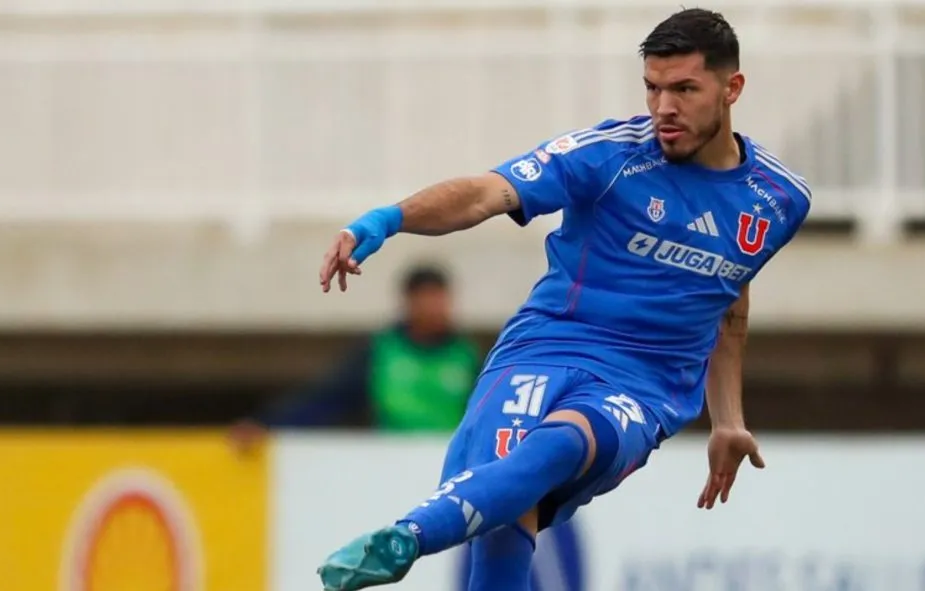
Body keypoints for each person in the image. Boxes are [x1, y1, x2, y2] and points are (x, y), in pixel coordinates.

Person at [314, 8, 812, 591]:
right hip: (544, 349)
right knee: (503, 515)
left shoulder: (779, 199)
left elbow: (727, 296)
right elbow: (485, 193)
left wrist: (727, 418)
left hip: (643, 386)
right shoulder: (610, 155)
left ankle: (409, 536)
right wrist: (387, 219)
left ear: (732, 89)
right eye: (652, 88)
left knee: (563, 443)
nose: (663, 109)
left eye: (684, 89)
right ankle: (413, 537)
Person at [229, 264, 479, 450]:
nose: (435, 308)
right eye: (426, 298)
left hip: (447, 465)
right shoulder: (381, 353)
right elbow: (327, 399)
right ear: (409, 302)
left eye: (440, 298)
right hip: (391, 463)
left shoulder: (467, 357)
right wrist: (267, 424)